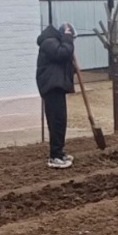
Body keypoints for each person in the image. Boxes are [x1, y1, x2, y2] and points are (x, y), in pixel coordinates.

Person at [36, 22, 76, 169]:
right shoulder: (49, 42)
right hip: (51, 88)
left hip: (56, 87)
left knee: (60, 121)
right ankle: (55, 157)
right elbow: (62, 54)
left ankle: (59, 152)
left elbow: (61, 61)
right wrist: (68, 38)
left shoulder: (54, 42)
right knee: (56, 122)